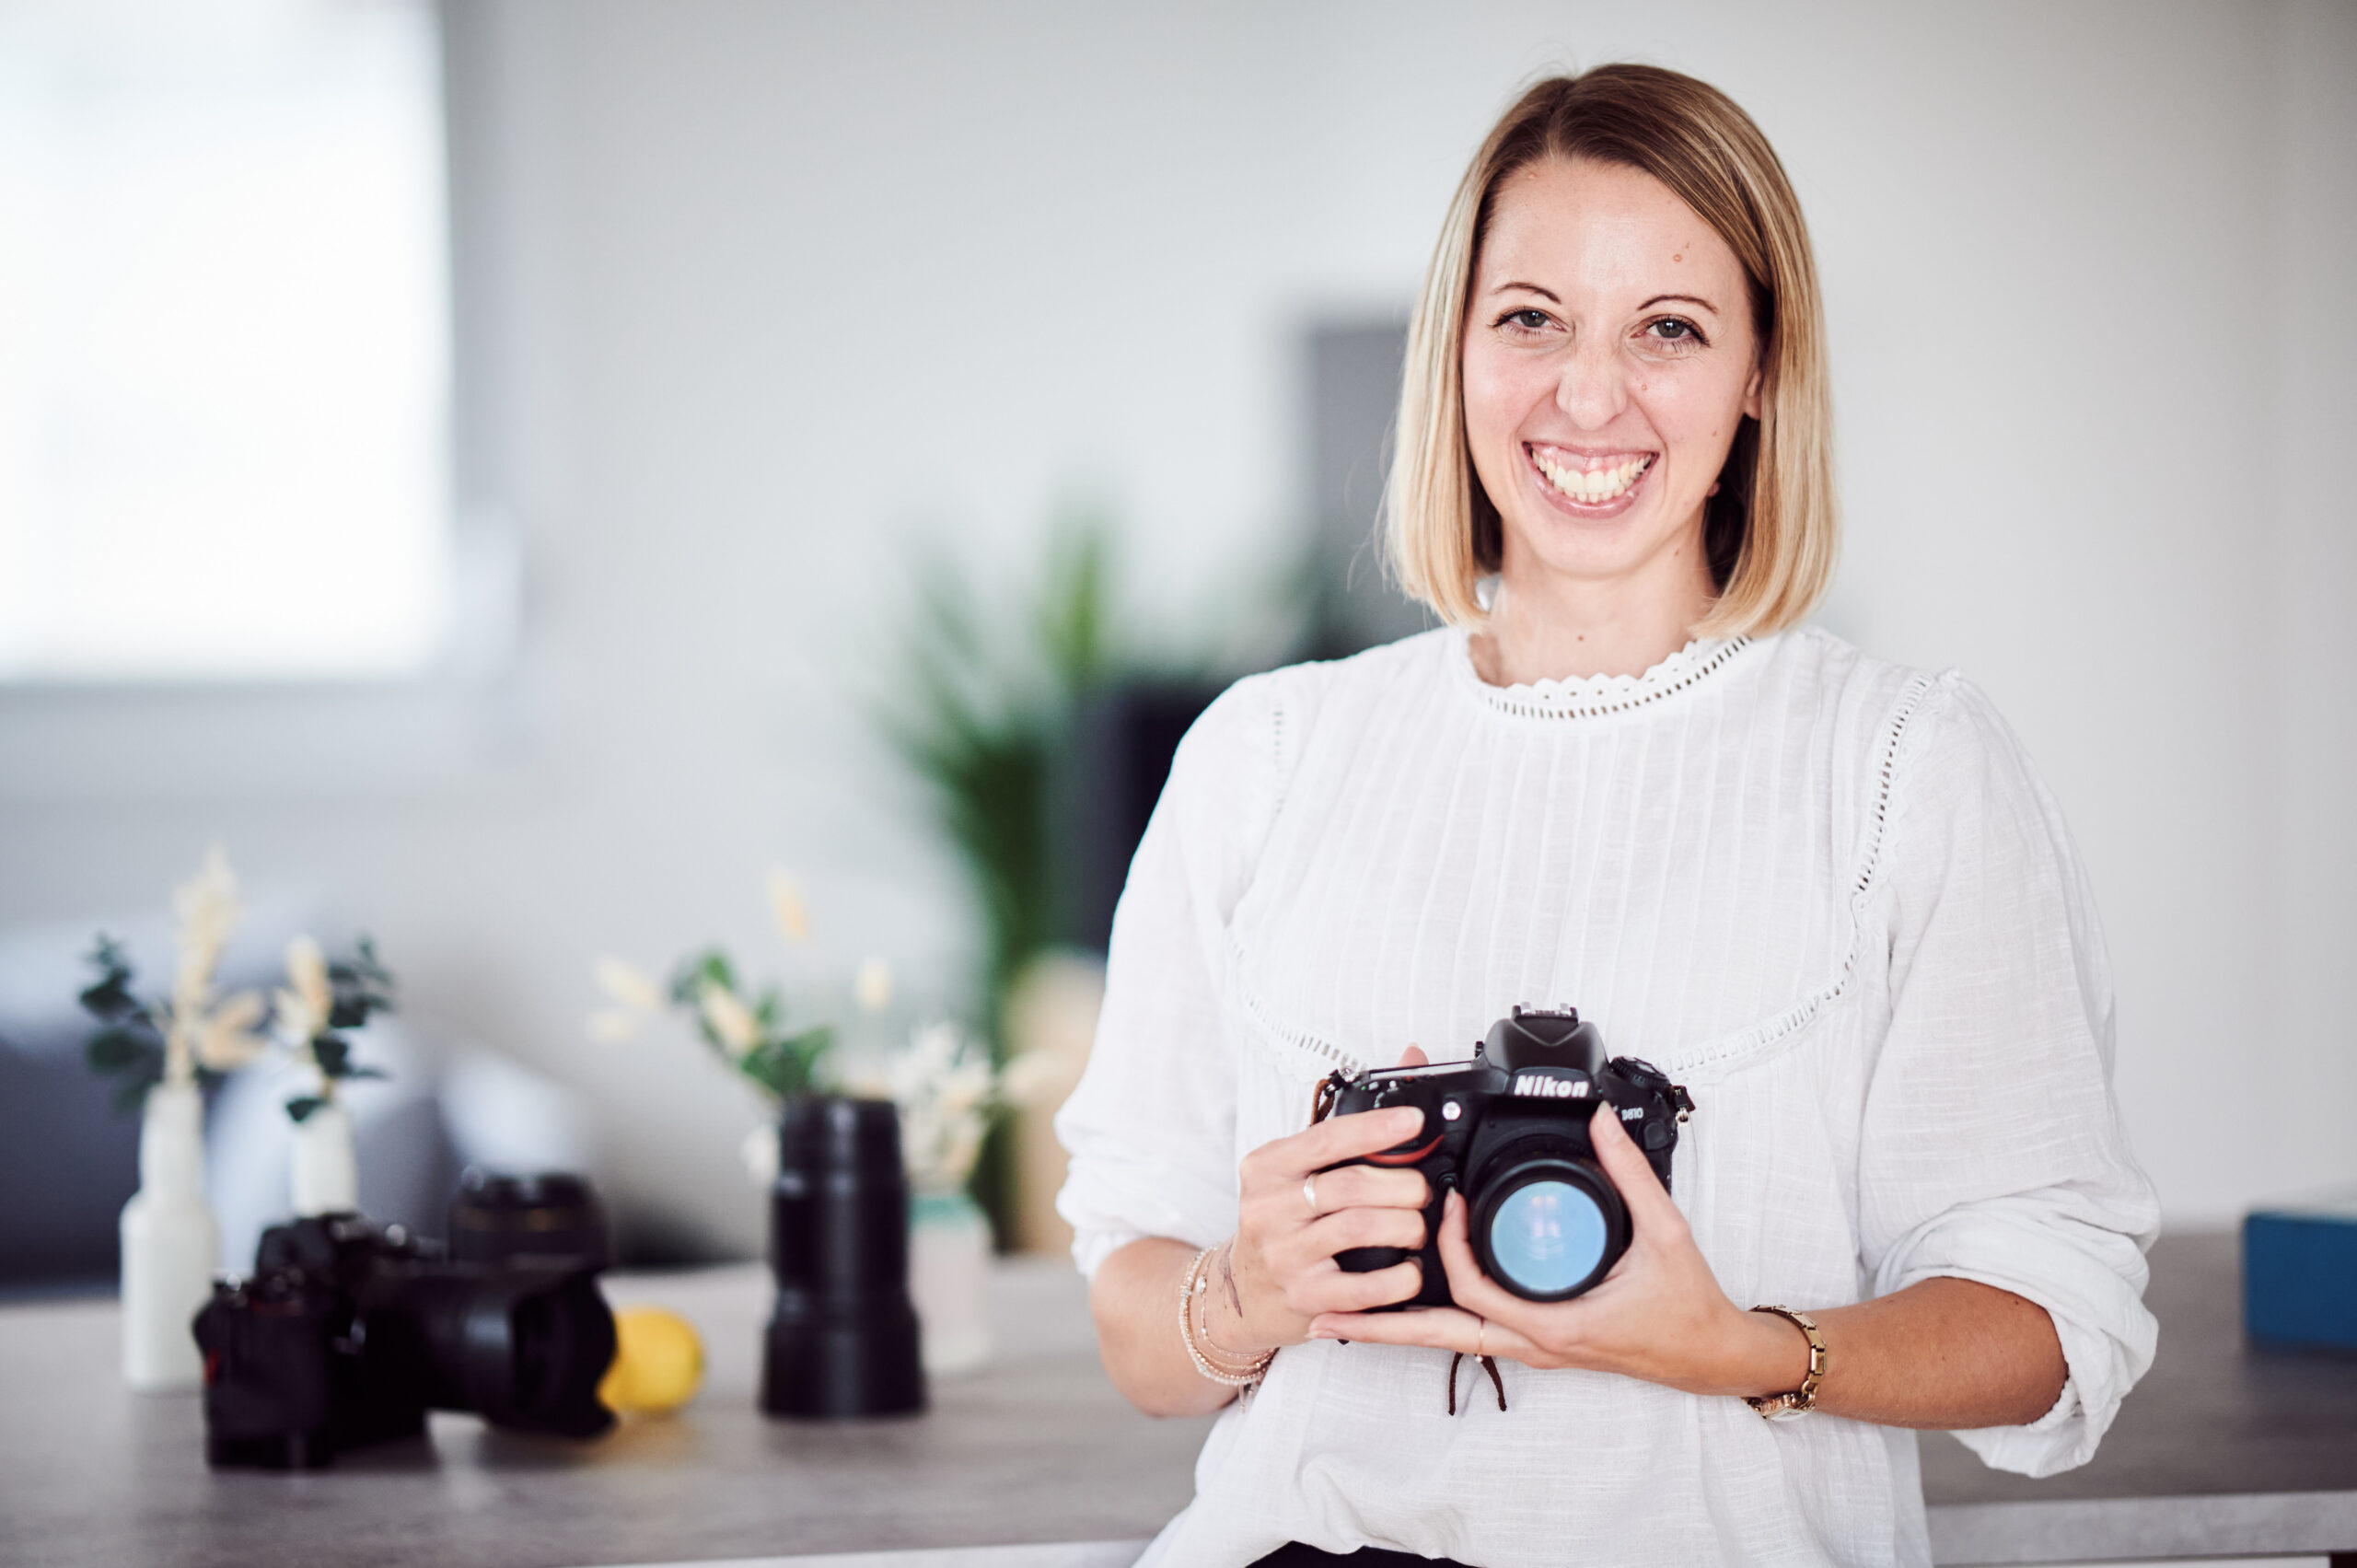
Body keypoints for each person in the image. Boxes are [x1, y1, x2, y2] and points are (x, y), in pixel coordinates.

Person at [1055, 64, 2158, 1568]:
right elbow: (1137, 1318)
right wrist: (1255, 1288)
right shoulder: (1269, 755)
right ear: (1454, 349)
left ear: (1763, 369)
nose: (1590, 395)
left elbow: (2049, 1323)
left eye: (1670, 329)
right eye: (1530, 318)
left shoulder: (1904, 765)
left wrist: (1740, 1346)